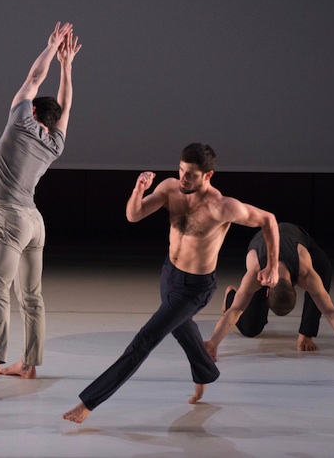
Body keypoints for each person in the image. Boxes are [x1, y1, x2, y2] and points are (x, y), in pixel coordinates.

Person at [63, 143, 280, 423]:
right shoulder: (170, 189)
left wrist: (272, 266)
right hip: (169, 274)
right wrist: (138, 190)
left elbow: (268, 220)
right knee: (180, 328)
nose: (183, 178)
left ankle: (88, 403)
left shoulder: (222, 206)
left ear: (208, 176)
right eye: (181, 170)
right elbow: (134, 215)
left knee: (145, 339)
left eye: (190, 174)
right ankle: (206, 372)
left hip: (195, 289)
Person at [0, 22, 81, 400]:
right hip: (34, 222)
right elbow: (66, 106)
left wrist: (50, 49)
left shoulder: (19, 122)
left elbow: (34, 75)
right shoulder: (56, 143)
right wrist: (68, 67)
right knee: (31, 296)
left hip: (9, 220)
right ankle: (29, 364)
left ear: (32, 110)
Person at [204, 222, 334, 366]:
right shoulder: (255, 273)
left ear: (297, 287)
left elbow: (330, 311)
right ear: (267, 290)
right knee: (250, 329)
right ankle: (231, 295)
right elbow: (235, 311)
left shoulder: (306, 273)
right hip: (262, 239)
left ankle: (306, 334)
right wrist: (213, 342)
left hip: (295, 235)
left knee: (324, 270)